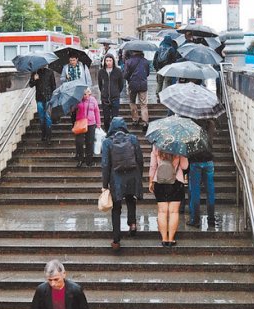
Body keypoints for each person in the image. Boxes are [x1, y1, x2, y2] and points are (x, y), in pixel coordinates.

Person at [25, 259, 98, 309]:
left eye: (56, 279)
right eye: (50, 280)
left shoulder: (75, 290)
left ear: (64, 274)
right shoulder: (41, 291)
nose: (53, 284)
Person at [102, 117, 143, 250]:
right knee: (131, 200)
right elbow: (139, 159)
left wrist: (104, 184)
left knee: (116, 208)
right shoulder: (133, 139)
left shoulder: (107, 142)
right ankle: (132, 224)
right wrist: (139, 176)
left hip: (116, 178)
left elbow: (105, 164)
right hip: (132, 175)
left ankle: (116, 239)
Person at [149, 146, 188, 246]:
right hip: (176, 181)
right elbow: (184, 166)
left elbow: (153, 166)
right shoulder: (179, 145)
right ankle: (171, 239)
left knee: (162, 212)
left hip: (159, 181)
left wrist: (150, 181)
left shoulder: (157, 145)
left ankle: (164, 239)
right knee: (174, 212)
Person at [187, 119, 217, 227]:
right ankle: (211, 219)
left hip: (195, 161)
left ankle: (195, 219)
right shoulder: (211, 124)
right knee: (210, 191)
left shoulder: (190, 125)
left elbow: (189, 145)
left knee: (195, 191)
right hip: (208, 161)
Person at [29, 66, 56, 145]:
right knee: (41, 117)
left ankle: (48, 137)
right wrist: (34, 79)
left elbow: (53, 85)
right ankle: (43, 134)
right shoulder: (35, 72)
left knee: (48, 117)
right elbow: (31, 84)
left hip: (48, 98)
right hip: (39, 98)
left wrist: (53, 97)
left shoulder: (50, 72)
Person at [123, 51, 150, 132]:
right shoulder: (145, 61)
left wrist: (130, 79)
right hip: (143, 85)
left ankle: (135, 119)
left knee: (132, 102)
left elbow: (125, 75)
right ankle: (145, 122)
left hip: (132, 85)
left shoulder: (129, 61)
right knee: (143, 104)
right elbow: (147, 73)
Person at [75, 88, 101, 168]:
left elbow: (97, 111)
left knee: (90, 142)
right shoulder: (78, 100)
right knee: (79, 142)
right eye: (84, 94)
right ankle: (80, 159)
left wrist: (98, 123)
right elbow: (73, 109)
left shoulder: (93, 100)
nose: (86, 96)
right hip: (80, 123)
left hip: (91, 124)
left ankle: (89, 160)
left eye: (87, 93)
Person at [97, 54, 124, 131]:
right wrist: (103, 92)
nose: (108, 62)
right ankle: (107, 131)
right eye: (107, 60)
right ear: (104, 61)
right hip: (105, 98)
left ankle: (114, 132)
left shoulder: (118, 71)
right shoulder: (101, 71)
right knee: (106, 117)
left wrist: (116, 92)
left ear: (113, 61)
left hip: (115, 97)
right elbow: (100, 84)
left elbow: (121, 84)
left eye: (110, 60)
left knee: (115, 117)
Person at [152, 35, 178, 102]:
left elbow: (155, 59)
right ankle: (165, 96)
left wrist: (156, 67)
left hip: (159, 68)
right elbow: (174, 59)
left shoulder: (159, 48)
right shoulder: (171, 49)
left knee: (159, 82)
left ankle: (158, 95)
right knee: (167, 82)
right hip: (168, 68)